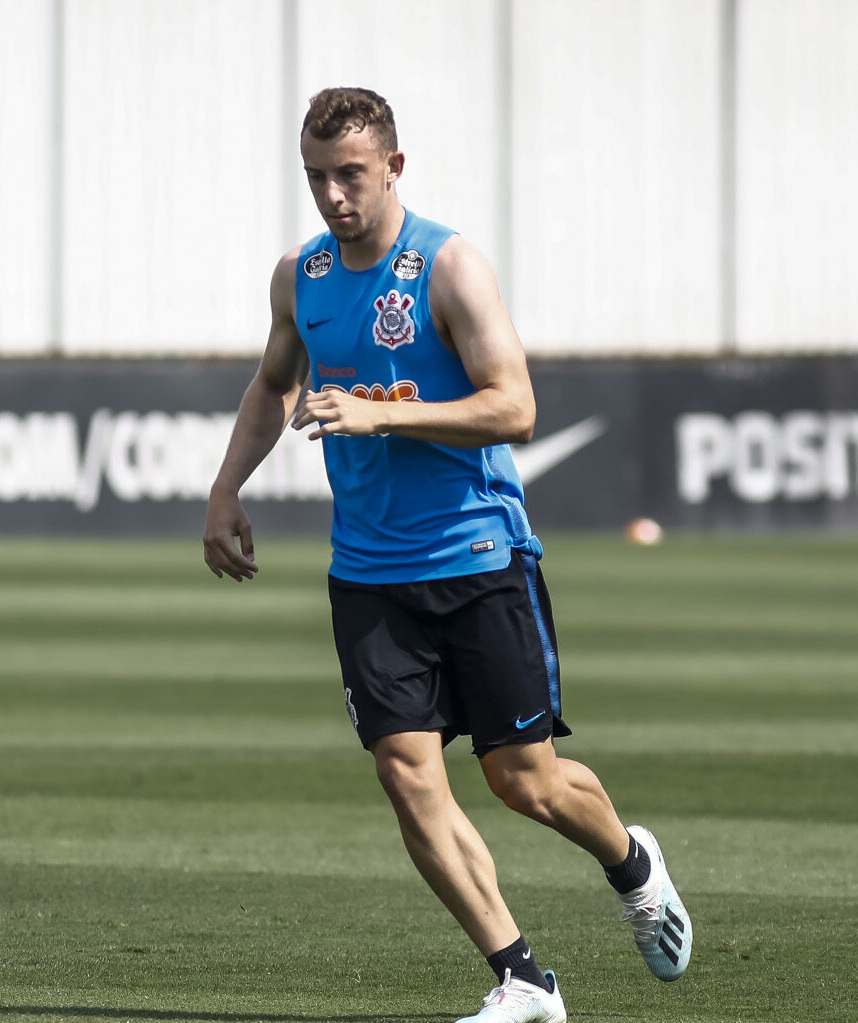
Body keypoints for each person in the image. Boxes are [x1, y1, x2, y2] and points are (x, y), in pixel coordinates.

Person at [201, 87, 692, 1023]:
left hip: (476, 556)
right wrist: (226, 488)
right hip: (368, 574)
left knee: (524, 781)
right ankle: (523, 977)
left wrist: (384, 411)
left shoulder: (449, 267)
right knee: (405, 769)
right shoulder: (298, 276)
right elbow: (273, 383)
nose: (332, 196)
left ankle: (631, 861)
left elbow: (515, 407)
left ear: (392, 166)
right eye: (315, 177)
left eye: (349, 174)